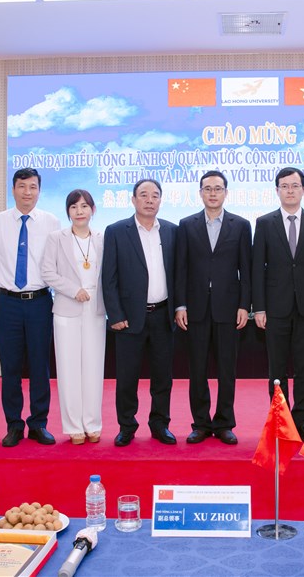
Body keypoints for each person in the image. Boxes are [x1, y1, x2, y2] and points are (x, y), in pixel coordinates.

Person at [251, 167, 304, 440]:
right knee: (277, 368)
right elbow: (257, 268)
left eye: (295, 186)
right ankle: (280, 419)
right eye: (284, 186)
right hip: (275, 307)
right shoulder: (264, 223)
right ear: (277, 190)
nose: (290, 190)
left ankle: (302, 417)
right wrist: (259, 307)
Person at [174, 170, 252, 446]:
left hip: (228, 308)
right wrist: (180, 304)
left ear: (226, 193)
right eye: (208, 189)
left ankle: (224, 423)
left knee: (227, 370)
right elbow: (180, 268)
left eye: (218, 188)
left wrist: (245, 305)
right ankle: (200, 424)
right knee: (197, 369)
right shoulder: (186, 225)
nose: (213, 193)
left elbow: (246, 269)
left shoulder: (240, 225)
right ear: (200, 193)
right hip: (195, 308)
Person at [0, 168, 60, 448]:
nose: (27, 192)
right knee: (10, 366)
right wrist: (10, 285)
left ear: (39, 190)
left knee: (40, 365)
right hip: (8, 303)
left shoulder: (51, 222)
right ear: (13, 189)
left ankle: (39, 423)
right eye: (22, 186)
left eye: (33, 187)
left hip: (40, 301)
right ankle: (14, 425)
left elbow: (55, 261)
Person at [102, 179, 178, 447]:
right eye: (143, 195)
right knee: (127, 377)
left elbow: (179, 274)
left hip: (163, 315)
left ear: (160, 200)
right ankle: (126, 426)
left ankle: (160, 424)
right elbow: (108, 278)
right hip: (129, 317)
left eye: (155, 195)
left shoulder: (172, 231)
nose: (149, 200)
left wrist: (179, 309)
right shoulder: (116, 231)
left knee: (163, 377)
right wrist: (115, 315)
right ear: (133, 200)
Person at [41, 189, 106, 445]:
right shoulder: (56, 238)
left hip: (96, 309)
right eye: (74, 207)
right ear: (68, 211)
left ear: (93, 210)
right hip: (67, 308)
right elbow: (47, 272)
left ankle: (92, 423)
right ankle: (73, 426)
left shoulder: (101, 238)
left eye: (84, 206)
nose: (79, 211)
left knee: (93, 367)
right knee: (68, 368)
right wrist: (72, 290)